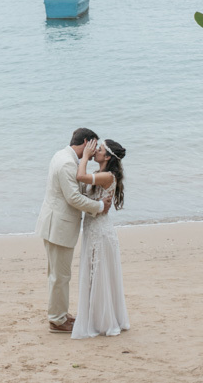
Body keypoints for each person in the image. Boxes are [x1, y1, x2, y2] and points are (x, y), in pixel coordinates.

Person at [36, 128, 111, 334]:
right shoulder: (68, 163)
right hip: (58, 227)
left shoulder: (61, 154)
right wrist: (99, 207)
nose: (95, 150)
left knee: (58, 274)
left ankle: (59, 313)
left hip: (53, 223)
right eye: (93, 145)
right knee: (60, 276)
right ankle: (57, 320)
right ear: (86, 142)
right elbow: (73, 198)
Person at [71, 137, 130, 339]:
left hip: (100, 231)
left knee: (99, 273)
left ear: (106, 156)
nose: (96, 151)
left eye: (100, 149)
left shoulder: (107, 176)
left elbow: (80, 177)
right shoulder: (100, 174)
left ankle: (103, 320)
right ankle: (97, 316)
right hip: (93, 227)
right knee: (95, 273)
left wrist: (84, 157)